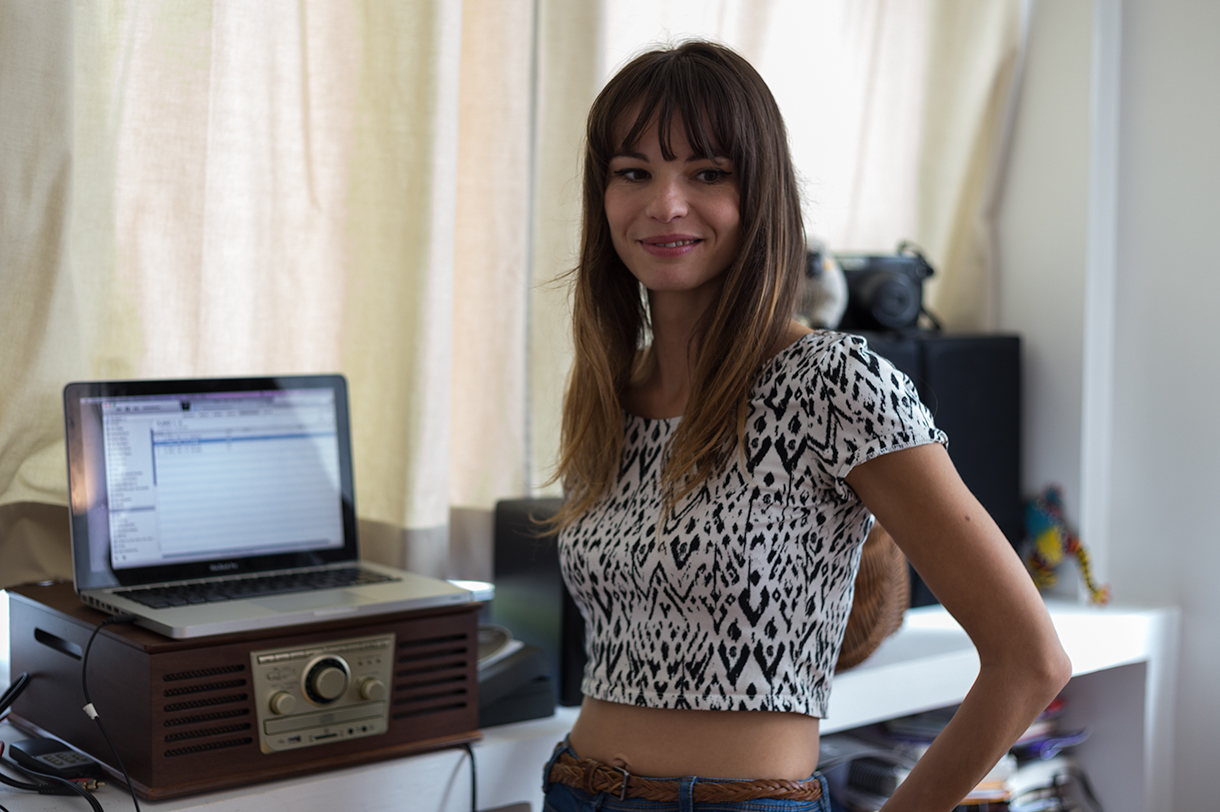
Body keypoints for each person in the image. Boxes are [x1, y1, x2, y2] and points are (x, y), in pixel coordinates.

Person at [543, 39, 1070, 812]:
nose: (665, 204)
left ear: (759, 195)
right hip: (575, 788)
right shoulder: (608, 389)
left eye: (707, 173)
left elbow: (1031, 661)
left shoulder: (830, 381)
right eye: (634, 173)